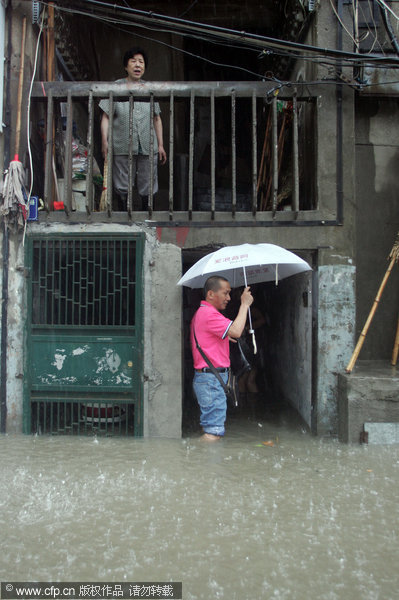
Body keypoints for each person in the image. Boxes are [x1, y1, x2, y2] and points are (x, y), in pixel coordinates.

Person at [99, 47, 167, 211]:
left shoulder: (150, 88)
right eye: (134, 61)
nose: (138, 65)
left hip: (147, 145)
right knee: (122, 185)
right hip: (122, 144)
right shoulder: (116, 87)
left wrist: (160, 145)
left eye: (141, 62)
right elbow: (106, 116)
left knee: (148, 183)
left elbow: (156, 118)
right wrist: (104, 141)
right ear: (126, 66)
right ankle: (125, 219)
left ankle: (146, 218)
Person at [190, 275, 253, 441]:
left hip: (210, 378)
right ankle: (191, 458)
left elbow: (229, 332)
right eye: (225, 293)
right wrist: (245, 305)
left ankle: (199, 462)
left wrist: (227, 335)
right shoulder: (209, 314)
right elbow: (236, 331)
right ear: (211, 294)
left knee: (212, 428)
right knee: (214, 433)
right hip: (211, 379)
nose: (229, 298)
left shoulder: (206, 313)